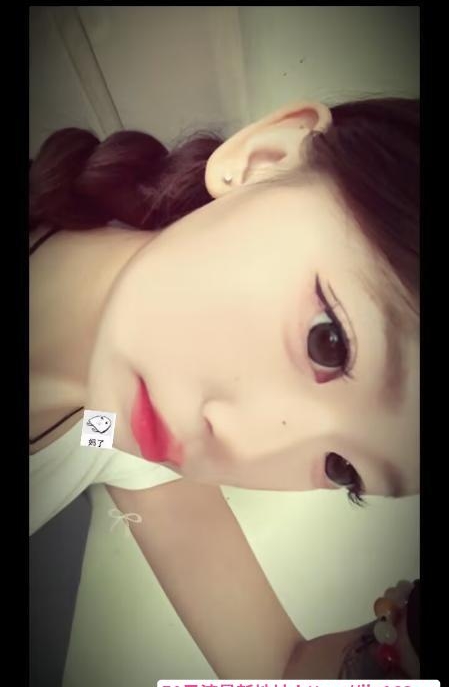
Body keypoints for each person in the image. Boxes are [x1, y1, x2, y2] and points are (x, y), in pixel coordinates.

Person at [29, 97, 419, 677]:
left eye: (343, 469)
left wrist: (401, 649)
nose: (243, 444)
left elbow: (277, 667)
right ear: (264, 158)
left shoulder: (109, 431)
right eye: (328, 343)